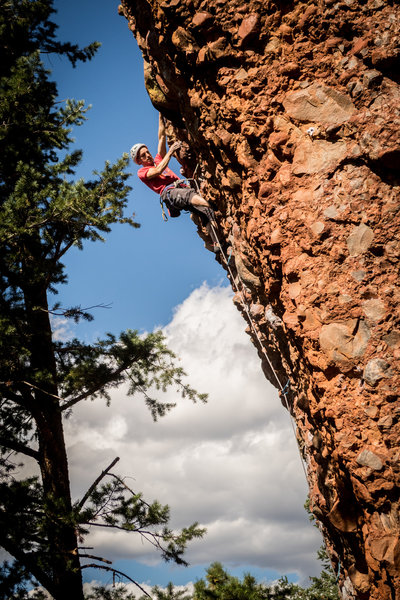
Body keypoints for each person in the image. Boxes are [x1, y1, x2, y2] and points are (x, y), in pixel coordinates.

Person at [130, 114, 219, 251]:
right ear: (139, 161)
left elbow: (161, 137)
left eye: (147, 152)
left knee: (205, 212)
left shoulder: (158, 159)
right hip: (170, 192)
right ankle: (212, 205)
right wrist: (170, 151)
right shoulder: (142, 172)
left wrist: (160, 115)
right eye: (143, 155)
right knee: (190, 196)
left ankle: (217, 243)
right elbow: (159, 171)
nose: (148, 155)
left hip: (181, 188)